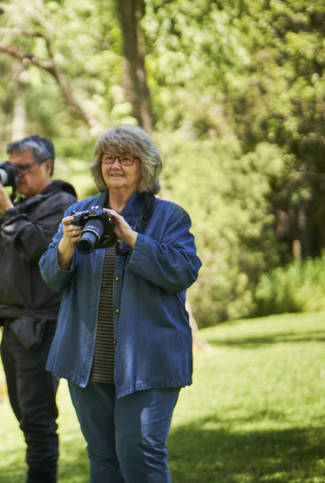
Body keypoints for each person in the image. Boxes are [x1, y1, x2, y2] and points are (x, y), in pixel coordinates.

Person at [38, 125, 202, 482]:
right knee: (102, 457)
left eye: (125, 158)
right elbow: (51, 277)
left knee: (140, 453)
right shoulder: (80, 211)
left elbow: (184, 270)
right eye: (108, 157)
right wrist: (66, 245)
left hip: (147, 360)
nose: (115, 165)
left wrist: (133, 239)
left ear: (144, 166)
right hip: (88, 361)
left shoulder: (169, 216)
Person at [0, 135, 77, 483]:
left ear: (47, 166)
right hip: (10, 324)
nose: (15, 175)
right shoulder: (19, 205)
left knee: (38, 421)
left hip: (41, 330)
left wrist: (7, 208)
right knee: (25, 417)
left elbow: (39, 251)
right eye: (10, 167)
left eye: (23, 168)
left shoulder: (63, 204)